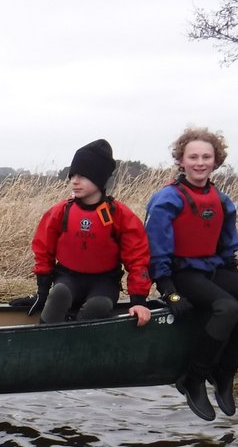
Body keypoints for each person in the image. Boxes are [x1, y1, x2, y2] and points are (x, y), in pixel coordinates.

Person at [145, 127, 238, 421]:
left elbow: (228, 245)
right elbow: (154, 249)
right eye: (193, 157)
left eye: (206, 157)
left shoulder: (222, 200)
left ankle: (224, 371)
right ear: (181, 160)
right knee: (227, 307)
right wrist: (168, 290)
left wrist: (236, 280)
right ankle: (193, 378)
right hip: (180, 274)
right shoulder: (167, 199)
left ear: (216, 161)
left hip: (212, 269)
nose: (200, 162)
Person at [28, 138, 152, 327]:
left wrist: (139, 302)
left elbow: (138, 258)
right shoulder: (61, 211)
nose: (74, 181)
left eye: (83, 176)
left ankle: (78, 345)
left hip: (104, 283)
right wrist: (42, 292)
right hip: (68, 278)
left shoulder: (119, 215)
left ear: (99, 179)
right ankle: (43, 341)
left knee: (99, 306)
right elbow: (43, 248)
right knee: (59, 293)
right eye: (73, 175)